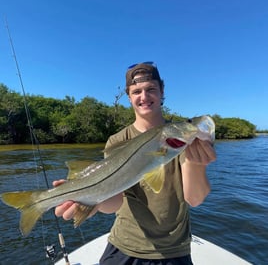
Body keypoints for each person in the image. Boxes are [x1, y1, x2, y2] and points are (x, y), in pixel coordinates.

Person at [53, 61, 216, 265]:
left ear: (162, 91)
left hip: (173, 251)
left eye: (151, 89)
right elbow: (114, 202)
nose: (144, 97)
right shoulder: (117, 141)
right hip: (124, 245)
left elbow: (195, 198)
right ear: (128, 96)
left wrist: (196, 162)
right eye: (137, 91)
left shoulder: (180, 142)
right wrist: (92, 201)